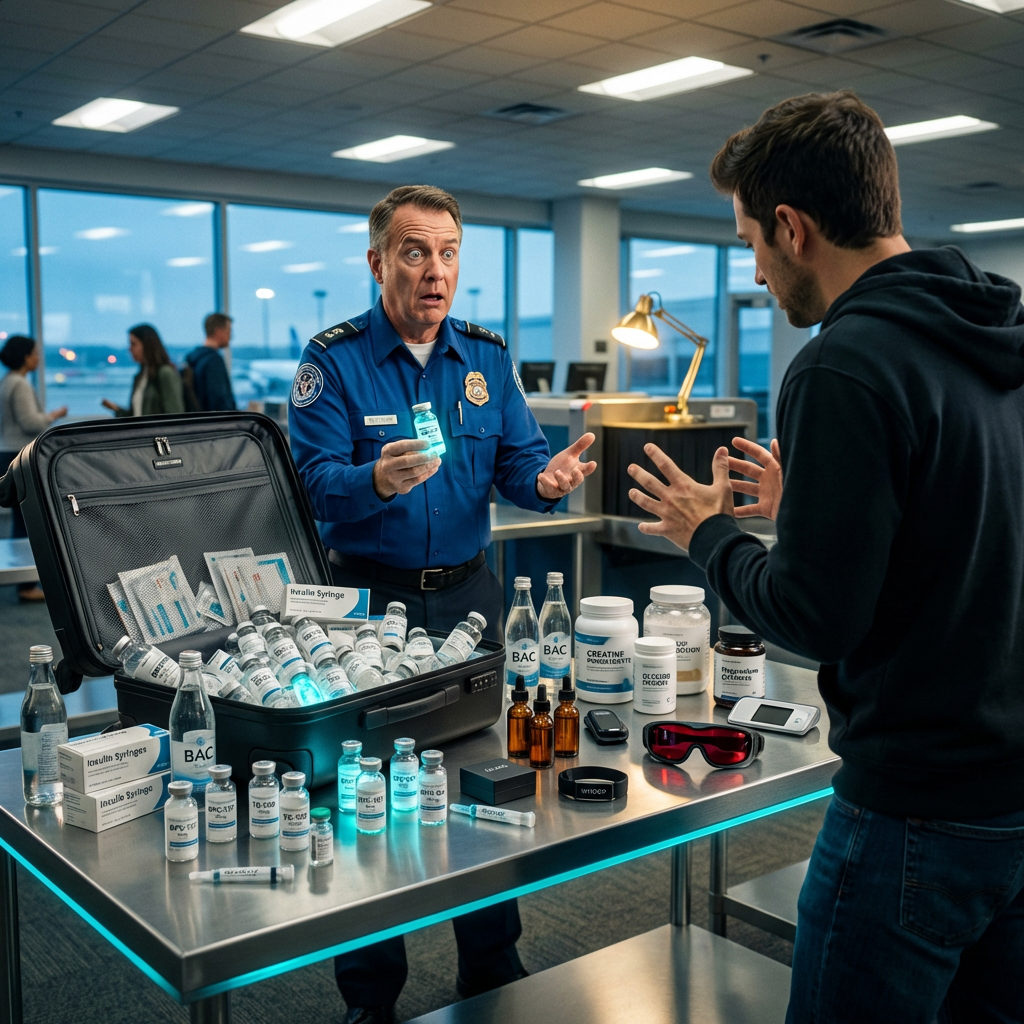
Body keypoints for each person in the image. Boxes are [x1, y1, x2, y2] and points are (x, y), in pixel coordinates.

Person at [625, 90, 1024, 1024]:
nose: (757, 272)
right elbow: (969, 525)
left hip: (915, 811)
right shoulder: (997, 336)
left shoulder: (845, 363)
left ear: (793, 228)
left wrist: (708, 534)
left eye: (751, 244)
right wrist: (814, 511)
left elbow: (816, 616)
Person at [289, 184, 596, 1024]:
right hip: (367, 608)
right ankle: (371, 995)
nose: (435, 271)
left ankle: (490, 963)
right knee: (367, 795)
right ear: (378, 261)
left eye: (449, 253)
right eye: (416, 252)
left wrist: (546, 482)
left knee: (487, 782)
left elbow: (519, 465)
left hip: (468, 601)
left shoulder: (486, 358)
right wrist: (374, 479)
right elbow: (309, 486)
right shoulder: (333, 360)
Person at [0, 335, 67, 601]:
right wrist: (54, 416)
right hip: (20, 455)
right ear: (25, 356)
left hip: (7, 453)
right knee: (29, 521)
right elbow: (29, 422)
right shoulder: (20, 384)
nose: (38, 358)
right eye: (35, 353)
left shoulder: (6, 381)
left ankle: (23, 581)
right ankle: (27, 585)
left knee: (19, 521)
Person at [101, 324, 184, 417]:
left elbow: (175, 414)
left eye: (133, 344)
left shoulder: (165, 373)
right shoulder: (141, 376)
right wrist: (116, 409)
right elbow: (137, 415)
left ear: (147, 345)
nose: (130, 349)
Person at [185, 313, 236, 411]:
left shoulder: (193, 358)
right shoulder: (213, 361)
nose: (231, 336)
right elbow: (219, 400)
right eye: (229, 331)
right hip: (215, 419)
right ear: (218, 331)